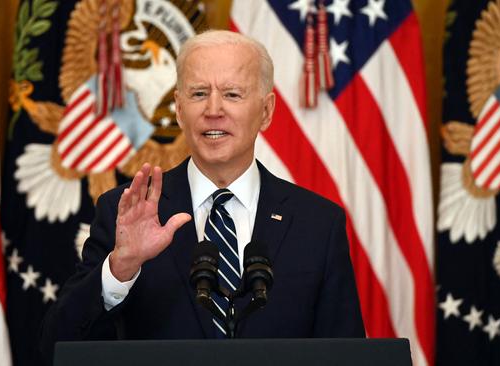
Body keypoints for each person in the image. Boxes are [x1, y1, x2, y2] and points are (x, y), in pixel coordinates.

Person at [40, 30, 364, 361]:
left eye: (232, 94)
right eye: (198, 93)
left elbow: (346, 356)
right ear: (179, 110)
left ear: (266, 111)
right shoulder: (125, 211)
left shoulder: (317, 224)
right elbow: (58, 346)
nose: (213, 109)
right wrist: (121, 267)